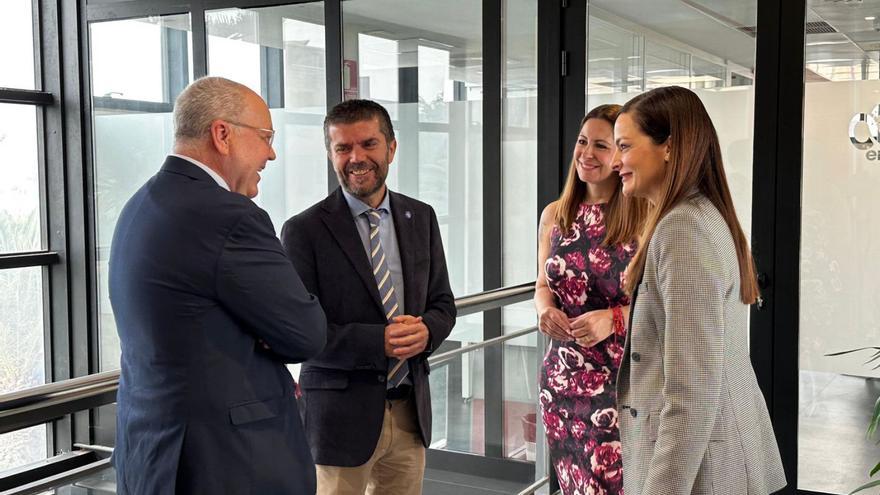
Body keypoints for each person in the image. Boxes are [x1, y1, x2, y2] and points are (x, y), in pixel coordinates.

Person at [109, 76, 327, 495]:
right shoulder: (229, 215)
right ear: (222, 134)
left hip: (153, 454)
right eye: (265, 137)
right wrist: (263, 328)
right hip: (227, 462)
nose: (271, 153)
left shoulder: (140, 205)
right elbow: (306, 333)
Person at [612, 86, 786, 494]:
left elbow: (691, 392)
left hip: (703, 468)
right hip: (716, 452)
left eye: (624, 145)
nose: (616, 161)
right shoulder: (694, 216)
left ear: (668, 147)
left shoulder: (683, 230)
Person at [281, 99, 456, 495]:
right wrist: (378, 341)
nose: (356, 158)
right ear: (330, 154)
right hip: (339, 423)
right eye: (343, 148)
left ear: (391, 148)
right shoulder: (302, 231)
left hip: (410, 413)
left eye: (368, 144)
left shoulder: (421, 217)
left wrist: (427, 331)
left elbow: (443, 304)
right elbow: (300, 334)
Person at [535, 104, 648, 494]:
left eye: (601, 145)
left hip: (622, 384)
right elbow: (542, 285)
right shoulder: (555, 215)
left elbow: (663, 306)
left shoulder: (644, 216)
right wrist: (545, 310)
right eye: (583, 142)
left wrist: (612, 319)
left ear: (620, 153)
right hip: (561, 383)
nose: (586, 153)